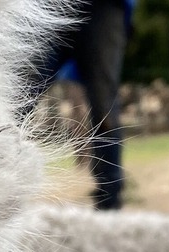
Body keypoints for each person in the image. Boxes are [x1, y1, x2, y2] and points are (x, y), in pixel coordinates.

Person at [25, 0, 136, 211]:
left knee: (105, 112)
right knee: (17, 97)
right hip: (49, 5)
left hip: (105, 7)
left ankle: (110, 209)